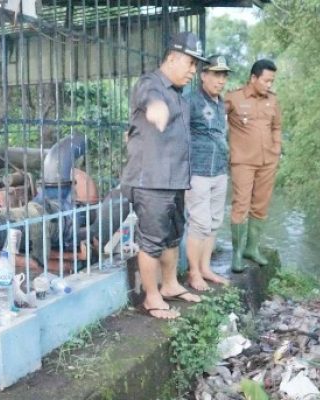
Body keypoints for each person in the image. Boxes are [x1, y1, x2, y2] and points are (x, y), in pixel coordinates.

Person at [121, 32, 208, 319]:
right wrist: (156, 109)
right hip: (151, 182)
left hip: (174, 180)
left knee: (172, 237)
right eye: (191, 64)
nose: (193, 71)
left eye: (197, 65)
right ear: (172, 58)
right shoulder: (152, 83)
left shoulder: (179, 97)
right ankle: (152, 297)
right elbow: (150, 100)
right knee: (151, 241)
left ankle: (170, 285)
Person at [225, 59, 282, 272]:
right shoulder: (234, 98)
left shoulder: (273, 101)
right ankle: (237, 254)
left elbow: (276, 127)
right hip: (243, 162)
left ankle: (252, 248)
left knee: (261, 206)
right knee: (240, 206)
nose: (270, 85)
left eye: (272, 81)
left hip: (268, 161)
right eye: (266, 80)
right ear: (253, 78)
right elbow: (211, 119)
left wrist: (276, 147)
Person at [184, 55, 232, 290]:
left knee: (214, 222)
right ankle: (193, 273)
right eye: (216, 74)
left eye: (223, 76)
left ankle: (205, 268)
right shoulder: (191, 101)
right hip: (199, 172)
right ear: (203, 76)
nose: (220, 80)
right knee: (199, 223)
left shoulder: (220, 103)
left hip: (220, 170)